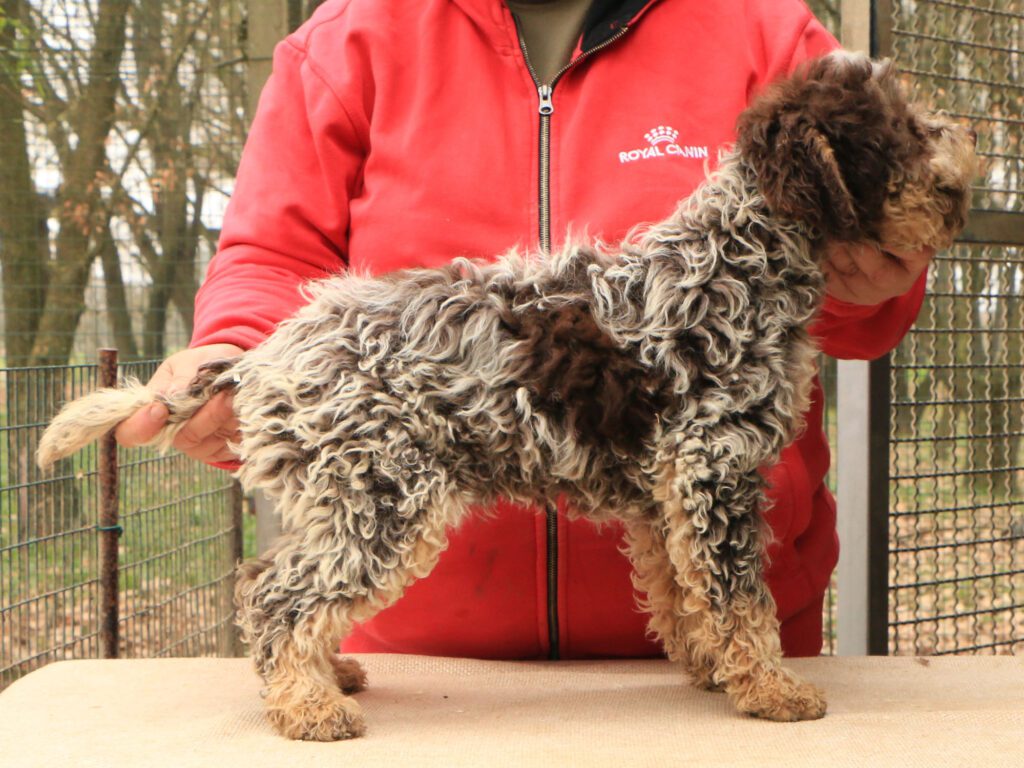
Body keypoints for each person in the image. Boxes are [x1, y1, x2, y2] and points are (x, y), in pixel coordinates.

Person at [117, 0, 932, 659]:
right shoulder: (345, 42)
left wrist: (870, 279)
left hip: (740, 648)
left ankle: (723, 635)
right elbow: (271, 256)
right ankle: (297, 640)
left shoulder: (765, 29)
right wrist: (232, 354)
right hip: (429, 678)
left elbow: (866, 303)